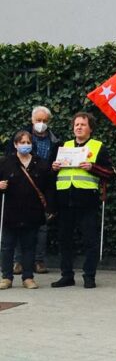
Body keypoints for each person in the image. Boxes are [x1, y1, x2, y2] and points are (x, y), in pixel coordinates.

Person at [50, 112, 115, 289]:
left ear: (90, 128)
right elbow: (51, 172)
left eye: (83, 124)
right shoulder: (64, 146)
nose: (78, 127)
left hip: (87, 201)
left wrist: (92, 167)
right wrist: (54, 167)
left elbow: (111, 173)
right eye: (76, 124)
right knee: (64, 240)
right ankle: (67, 275)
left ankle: (89, 276)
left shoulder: (98, 146)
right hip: (64, 201)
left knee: (90, 241)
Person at [6, 106, 60, 276]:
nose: (41, 124)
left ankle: (38, 260)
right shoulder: (22, 137)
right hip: (20, 186)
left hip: (43, 186)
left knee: (41, 227)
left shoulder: (55, 141)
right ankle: (17, 263)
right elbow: (9, 162)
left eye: (45, 121)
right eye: (38, 120)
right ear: (32, 120)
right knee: (16, 227)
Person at [1, 131, 55, 290]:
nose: (25, 145)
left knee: (29, 245)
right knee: (7, 246)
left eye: (28, 142)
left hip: (32, 211)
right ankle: (6, 277)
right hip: (9, 212)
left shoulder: (42, 164)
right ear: (15, 144)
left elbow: (49, 188)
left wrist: (51, 207)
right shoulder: (5, 162)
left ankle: (28, 277)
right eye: (22, 142)